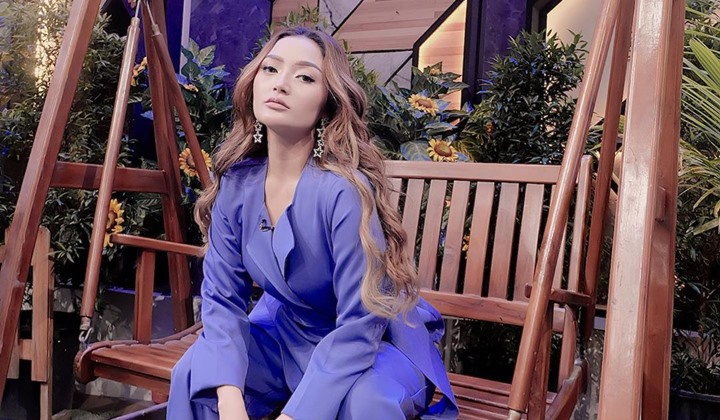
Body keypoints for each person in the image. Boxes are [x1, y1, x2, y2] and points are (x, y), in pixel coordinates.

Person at [167, 26, 458, 420]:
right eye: (271, 69)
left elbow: (361, 323)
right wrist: (230, 399)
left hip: (375, 344)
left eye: (304, 76)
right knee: (196, 374)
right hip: (288, 336)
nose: (280, 84)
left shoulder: (344, 192)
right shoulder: (236, 185)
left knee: (366, 402)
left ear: (327, 104)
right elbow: (222, 302)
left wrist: (294, 417)